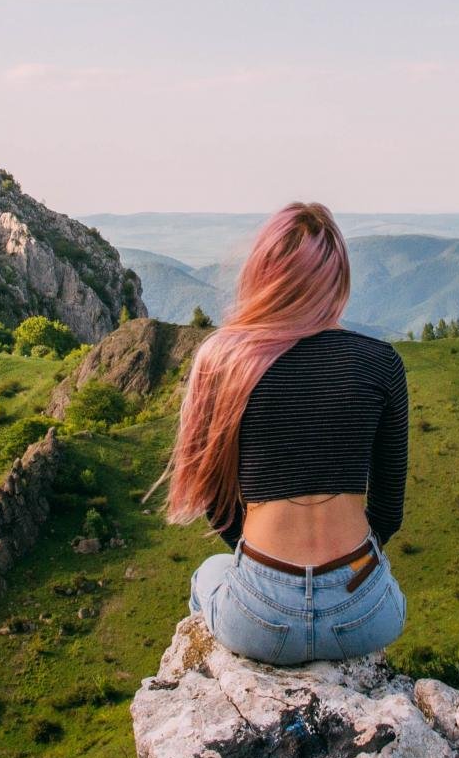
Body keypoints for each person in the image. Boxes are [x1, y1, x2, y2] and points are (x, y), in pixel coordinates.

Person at [164, 202, 409, 665]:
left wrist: (271, 571)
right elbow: (388, 514)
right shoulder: (381, 363)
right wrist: (345, 574)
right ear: (338, 280)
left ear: (263, 275)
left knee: (208, 575)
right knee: (379, 581)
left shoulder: (223, 362)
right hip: (364, 614)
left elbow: (217, 509)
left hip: (257, 618)